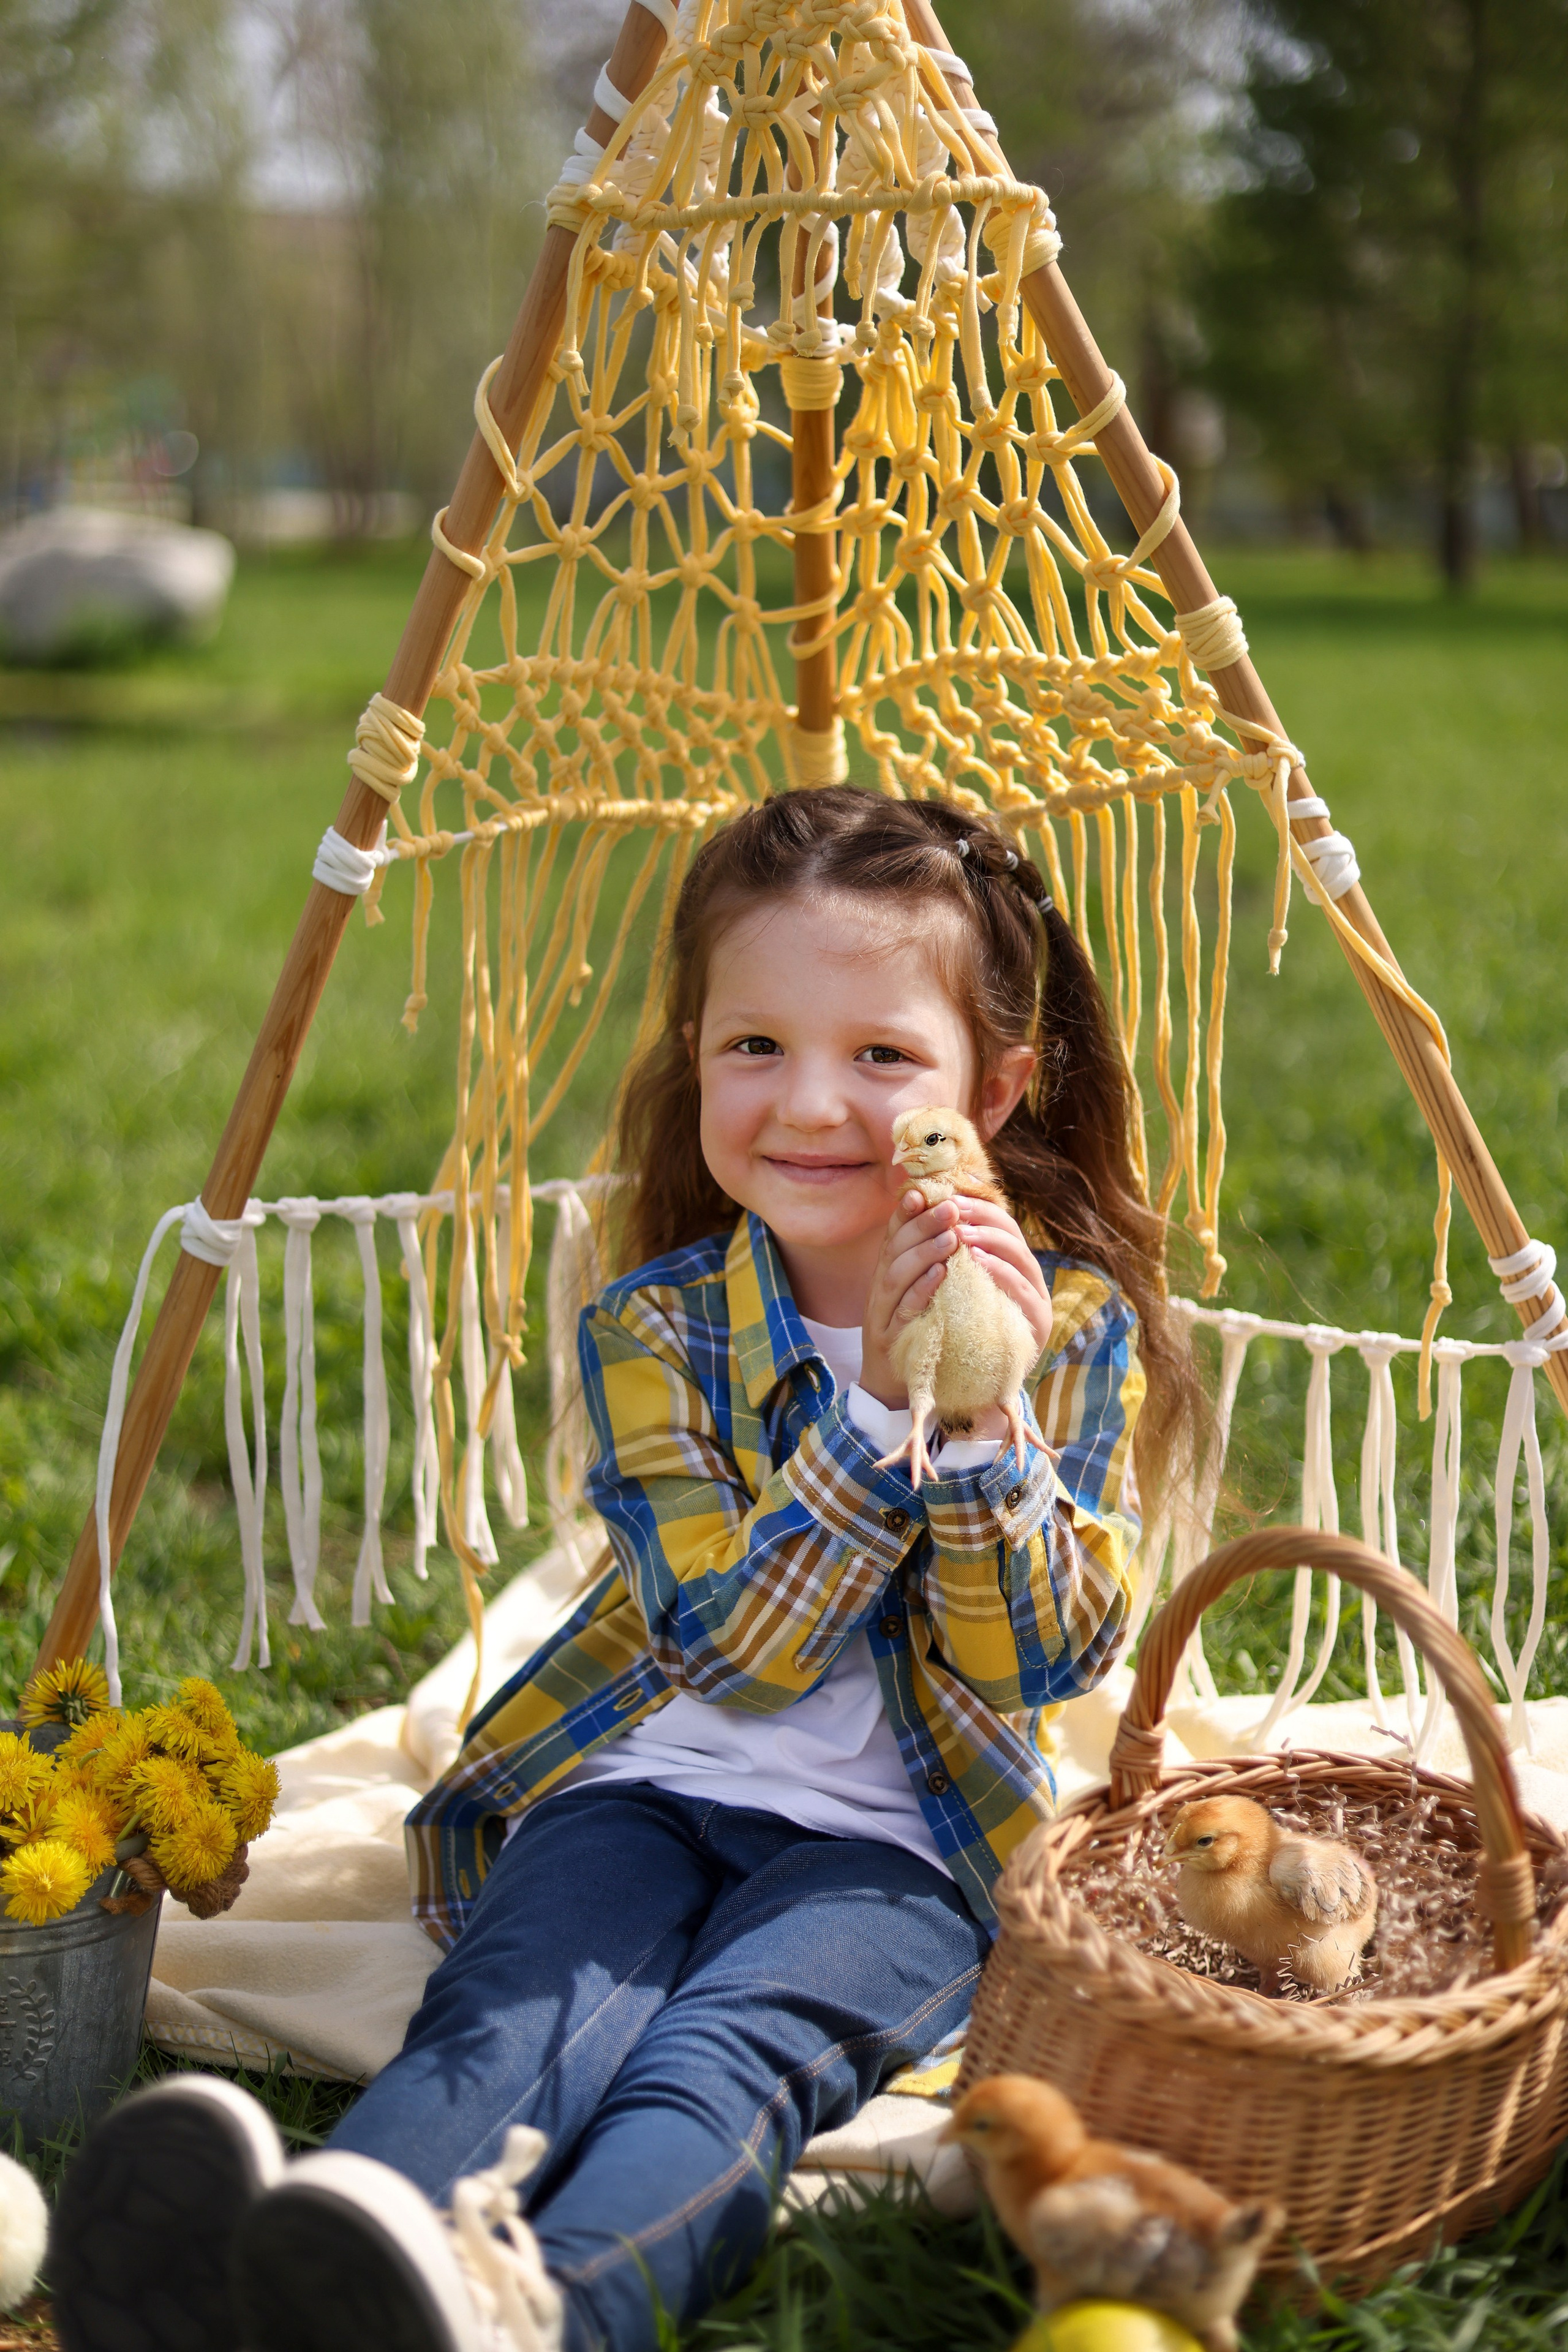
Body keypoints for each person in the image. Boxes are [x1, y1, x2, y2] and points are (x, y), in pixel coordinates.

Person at [52, 788, 1196, 2352]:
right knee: (521, 2009)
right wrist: (874, 1420)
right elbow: (735, 1656)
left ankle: (537, 2321)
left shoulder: (1064, 1338)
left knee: (719, 2058)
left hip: (903, 1842)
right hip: (638, 1775)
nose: (806, 1103)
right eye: (753, 1046)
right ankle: (299, 2263)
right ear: (695, 1053)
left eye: (878, 1056)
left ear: (986, 1093)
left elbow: (1037, 1659)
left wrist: (979, 1420)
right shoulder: (658, 1326)